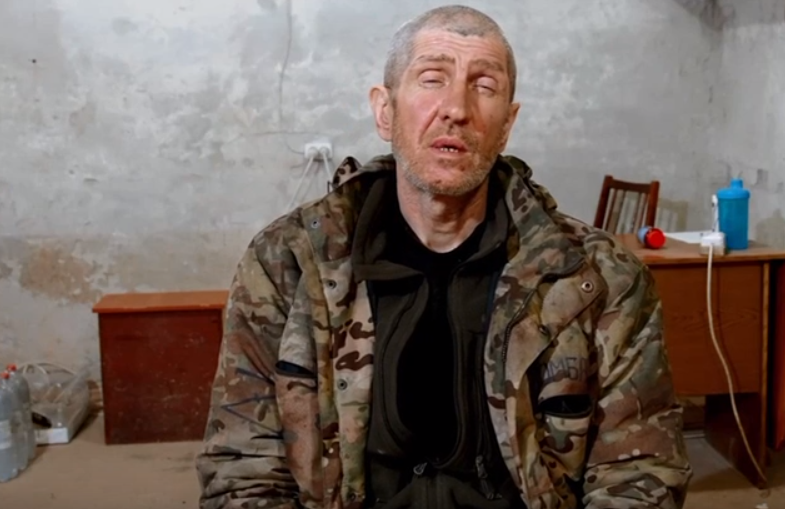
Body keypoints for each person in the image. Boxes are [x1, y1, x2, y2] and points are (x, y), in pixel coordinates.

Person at [196, 5, 692, 509]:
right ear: (385, 110)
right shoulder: (287, 264)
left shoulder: (598, 280)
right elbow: (241, 467)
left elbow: (639, 475)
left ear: (507, 124)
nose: (456, 108)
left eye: (485, 85)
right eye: (432, 79)